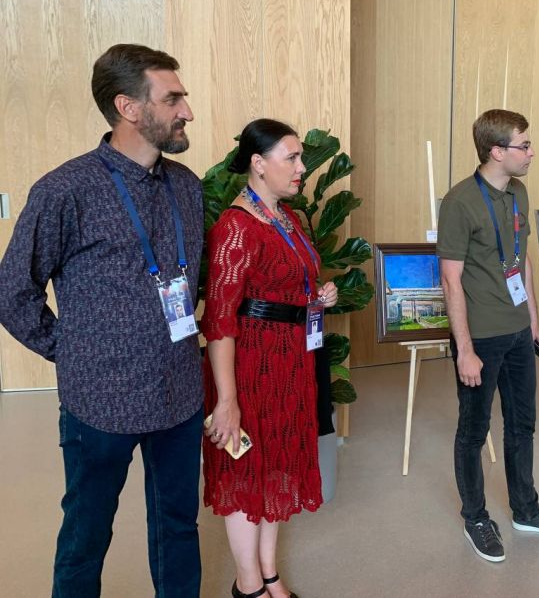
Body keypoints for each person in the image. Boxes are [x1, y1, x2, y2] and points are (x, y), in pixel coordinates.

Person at [0, 44, 203, 595]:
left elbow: (193, 278)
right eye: (173, 99)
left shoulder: (187, 187)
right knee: (86, 533)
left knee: (179, 526)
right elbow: (13, 290)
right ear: (128, 107)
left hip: (180, 394)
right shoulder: (65, 190)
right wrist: (71, 350)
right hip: (101, 402)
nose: (187, 111)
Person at [202, 118, 339, 598]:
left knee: (276, 463)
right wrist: (227, 400)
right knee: (247, 469)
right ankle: (247, 585)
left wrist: (317, 296)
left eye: (301, 157)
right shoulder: (235, 227)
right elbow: (219, 320)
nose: (301, 168)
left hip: (290, 360)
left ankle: (268, 572)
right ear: (259, 164)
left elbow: (285, 285)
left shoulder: (287, 217)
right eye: (292, 158)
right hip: (251, 365)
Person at [437, 108, 539, 563]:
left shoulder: (518, 191)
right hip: (481, 337)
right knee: (473, 432)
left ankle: (526, 509)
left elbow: (522, 257)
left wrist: (533, 320)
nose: (531, 152)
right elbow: (451, 280)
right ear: (497, 151)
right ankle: (476, 517)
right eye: (524, 145)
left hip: (518, 332)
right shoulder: (459, 202)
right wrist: (464, 350)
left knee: (522, 425)